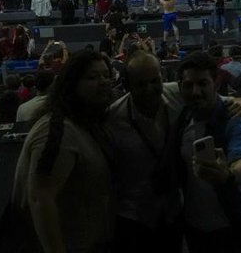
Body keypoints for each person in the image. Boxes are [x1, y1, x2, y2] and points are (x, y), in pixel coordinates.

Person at [12, 50, 115, 253]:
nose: (103, 82)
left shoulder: (85, 121)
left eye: (106, 75)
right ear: (72, 85)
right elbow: (41, 198)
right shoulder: (57, 130)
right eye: (93, 77)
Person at [171, 52, 241, 253]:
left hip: (232, 224)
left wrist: (228, 174)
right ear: (179, 87)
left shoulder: (235, 115)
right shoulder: (183, 117)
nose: (195, 91)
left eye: (203, 83)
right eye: (188, 85)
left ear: (216, 84)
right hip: (195, 227)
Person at [104, 52, 184, 251]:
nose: (149, 89)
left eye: (154, 81)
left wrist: (239, 102)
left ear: (163, 75)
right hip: (132, 217)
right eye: (140, 84)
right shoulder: (112, 119)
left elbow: (215, 100)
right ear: (127, 85)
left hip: (173, 211)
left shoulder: (179, 95)